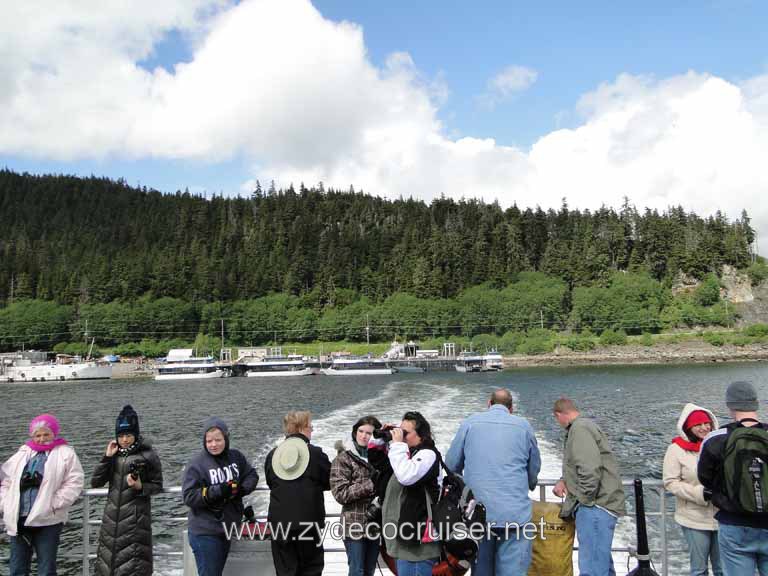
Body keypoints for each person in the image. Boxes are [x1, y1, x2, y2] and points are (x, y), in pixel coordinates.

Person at [445, 388, 541, 576]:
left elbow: (451, 465)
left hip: (478, 515)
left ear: (489, 404)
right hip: (515, 515)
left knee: (481, 571)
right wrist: (530, 484)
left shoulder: (470, 423)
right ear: (511, 408)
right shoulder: (524, 426)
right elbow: (533, 467)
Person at [0, 413, 84, 576]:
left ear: (54, 433)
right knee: (17, 568)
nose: (41, 438)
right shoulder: (22, 453)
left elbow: (75, 481)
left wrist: (54, 503)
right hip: (19, 519)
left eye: (46, 434)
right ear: (32, 435)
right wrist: (5, 503)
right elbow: (6, 480)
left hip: (48, 520)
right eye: (37, 435)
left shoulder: (66, 453)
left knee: (46, 568)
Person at [698, 381, 768, 575]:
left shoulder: (715, 438)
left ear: (730, 405)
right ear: (756, 404)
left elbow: (704, 478)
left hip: (734, 522)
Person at [552, 397, 625, 576]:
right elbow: (580, 462)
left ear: (559, 415)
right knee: (602, 565)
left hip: (595, 507)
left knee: (592, 568)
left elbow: (590, 468)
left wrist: (585, 500)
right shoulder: (584, 426)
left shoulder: (579, 429)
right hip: (601, 505)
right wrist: (564, 479)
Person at [91, 405, 164, 576]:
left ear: (136, 435)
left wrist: (140, 487)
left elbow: (157, 485)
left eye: (129, 435)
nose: (124, 439)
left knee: (133, 568)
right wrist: (107, 457)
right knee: (108, 567)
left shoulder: (148, 455)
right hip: (111, 522)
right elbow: (95, 482)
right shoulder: (113, 455)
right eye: (121, 435)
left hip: (136, 523)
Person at [182, 417, 259, 576]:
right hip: (206, 532)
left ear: (226, 438)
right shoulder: (196, 464)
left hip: (228, 528)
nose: (214, 444)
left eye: (218, 440)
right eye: (209, 441)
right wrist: (217, 491)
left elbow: (252, 474)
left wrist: (242, 489)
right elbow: (189, 496)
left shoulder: (236, 457)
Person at [265, 411, 332, 576]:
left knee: (285, 571)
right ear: (301, 429)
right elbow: (329, 481)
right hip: (308, 526)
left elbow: (270, 482)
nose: (312, 430)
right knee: (311, 569)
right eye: (310, 427)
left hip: (280, 526)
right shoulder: (315, 454)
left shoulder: (273, 456)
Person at [663, 403, 722, 576]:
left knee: (723, 569)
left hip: (722, 517)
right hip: (694, 519)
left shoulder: (719, 445)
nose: (704, 428)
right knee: (699, 569)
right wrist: (699, 493)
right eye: (698, 425)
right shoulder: (676, 450)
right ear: (688, 428)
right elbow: (670, 482)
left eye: (706, 423)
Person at [381, 411, 441, 576]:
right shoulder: (408, 454)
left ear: (421, 435)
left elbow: (407, 476)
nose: (401, 436)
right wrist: (382, 438)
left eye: (405, 433)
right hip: (406, 540)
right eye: (400, 431)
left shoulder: (428, 454)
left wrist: (398, 444)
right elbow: (381, 465)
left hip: (418, 545)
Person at [331, 415, 383, 576]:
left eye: (369, 433)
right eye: (361, 431)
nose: (364, 436)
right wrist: (370, 485)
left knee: (369, 570)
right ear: (355, 432)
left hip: (375, 523)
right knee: (357, 571)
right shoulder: (344, 458)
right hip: (353, 524)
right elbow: (340, 493)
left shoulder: (381, 458)